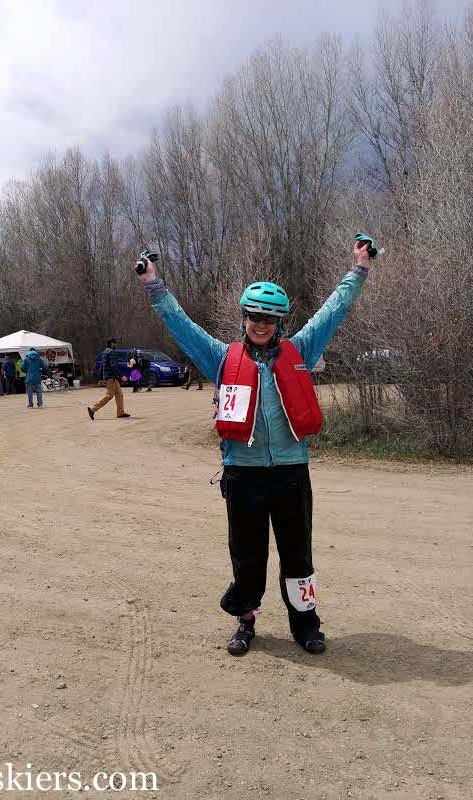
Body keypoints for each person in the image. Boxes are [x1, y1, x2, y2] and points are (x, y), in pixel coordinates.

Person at [136, 241, 373, 656]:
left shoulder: (301, 349)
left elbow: (333, 312)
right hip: (243, 474)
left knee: (298, 556)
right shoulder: (220, 358)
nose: (260, 324)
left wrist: (359, 270)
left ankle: (306, 625)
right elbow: (181, 326)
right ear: (243, 318)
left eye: (268, 318)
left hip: (290, 472)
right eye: (254, 317)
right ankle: (246, 622)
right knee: (247, 557)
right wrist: (154, 286)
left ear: (279, 322)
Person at [87, 338, 130, 420]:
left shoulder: (104, 352)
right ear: (112, 344)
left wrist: (100, 377)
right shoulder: (111, 352)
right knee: (109, 395)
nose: (116, 345)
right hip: (111, 377)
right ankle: (93, 409)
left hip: (110, 377)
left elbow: (102, 366)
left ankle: (120, 412)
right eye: (115, 343)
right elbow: (113, 366)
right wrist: (121, 376)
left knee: (119, 394)